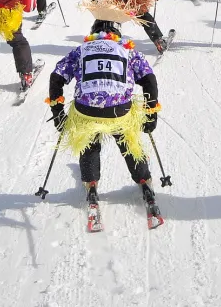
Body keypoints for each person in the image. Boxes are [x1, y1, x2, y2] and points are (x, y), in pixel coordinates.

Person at [47, 20, 161, 212]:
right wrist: (150, 115)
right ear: (117, 32)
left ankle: (91, 184)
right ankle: (143, 178)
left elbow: (56, 77)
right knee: (129, 140)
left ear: (93, 32)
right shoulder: (128, 50)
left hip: (87, 111)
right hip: (119, 112)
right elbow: (149, 80)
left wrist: (58, 113)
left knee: (88, 138)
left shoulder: (81, 50)